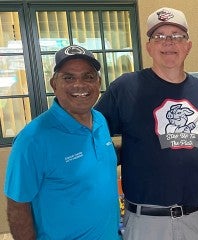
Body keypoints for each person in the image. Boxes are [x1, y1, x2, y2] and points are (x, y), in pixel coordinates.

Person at [94, 7, 198, 240]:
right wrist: (123, 153)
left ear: (188, 46)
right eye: (159, 36)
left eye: (176, 36)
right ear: (149, 46)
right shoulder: (126, 88)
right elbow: (93, 133)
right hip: (146, 222)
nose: (168, 43)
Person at [3, 45, 120, 240]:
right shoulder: (32, 140)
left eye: (88, 77)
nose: (79, 85)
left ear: (98, 82)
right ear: (53, 84)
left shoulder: (99, 120)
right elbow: (17, 206)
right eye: (69, 78)